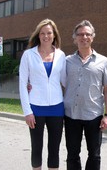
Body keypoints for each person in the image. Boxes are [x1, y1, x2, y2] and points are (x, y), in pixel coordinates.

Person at [64, 20, 107, 170]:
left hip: (94, 116)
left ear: (92, 37)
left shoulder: (103, 61)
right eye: (80, 34)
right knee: (72, 154)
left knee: (94, 154)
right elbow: (52, 80)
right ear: (74, 38)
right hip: (71, 115)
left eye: (87, 34)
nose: (84, 37)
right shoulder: (66, 61)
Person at [19, 19, 66, 170]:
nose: (46, 36)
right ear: (38, 35)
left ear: (54, 35)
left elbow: (65, 81)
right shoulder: (28, 55)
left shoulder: (61, 55)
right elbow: (22, 84)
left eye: (49, 33)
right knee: (36, 147)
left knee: (54, 149)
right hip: (36, 108)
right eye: (43, 33)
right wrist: (27, 111)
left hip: (57, 108)